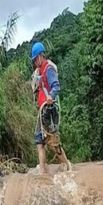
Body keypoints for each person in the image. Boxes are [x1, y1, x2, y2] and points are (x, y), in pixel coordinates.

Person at [31, 42, 71, 174]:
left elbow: (56, 86)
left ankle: (68, 167)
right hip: (43, 111)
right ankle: (43, 170)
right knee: (39, 141)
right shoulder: (39, 72)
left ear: (40, 56)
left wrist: (51, 96)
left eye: (36, 59)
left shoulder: (48, 69)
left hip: (49, 110)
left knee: (53, 143)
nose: (35, 62)